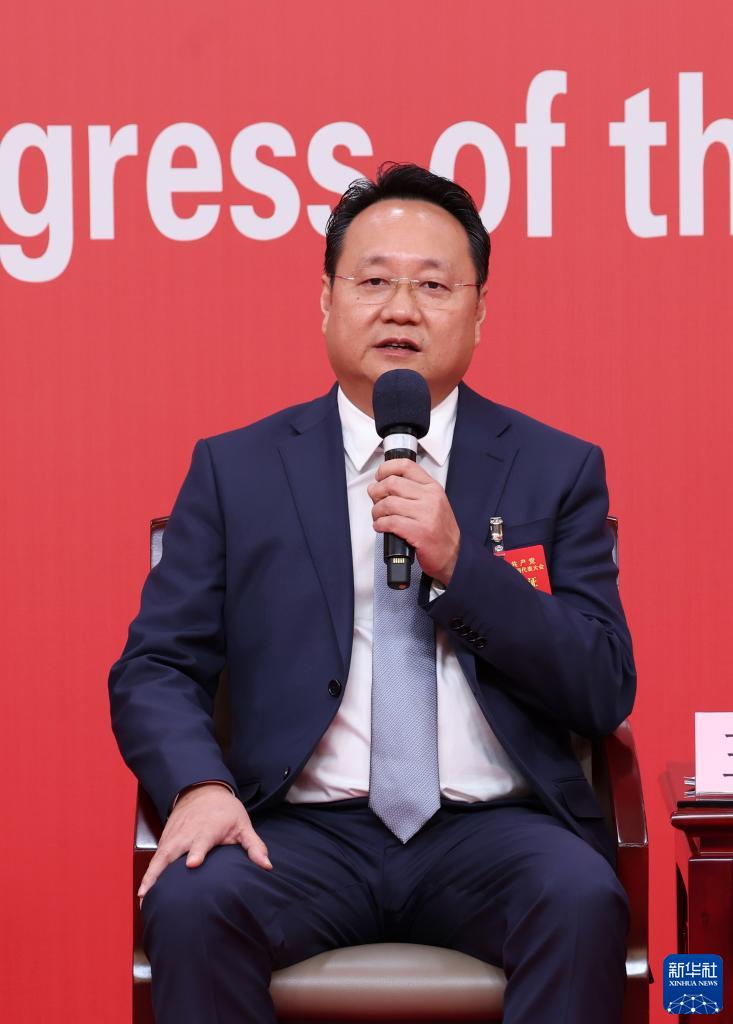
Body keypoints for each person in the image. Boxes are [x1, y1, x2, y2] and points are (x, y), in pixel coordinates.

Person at [109, 162, 636, 1024]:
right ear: (325, 300)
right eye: (373, 281)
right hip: (298, 834)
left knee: (578, 899)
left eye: (432, 285)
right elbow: (155, 667)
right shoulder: (237, 470)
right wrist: (199, 786)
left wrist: (461, 567)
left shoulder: (556, 468)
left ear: (478, 310)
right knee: (195, 902)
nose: (400, 309)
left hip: (493, 832)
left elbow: (602, 685)